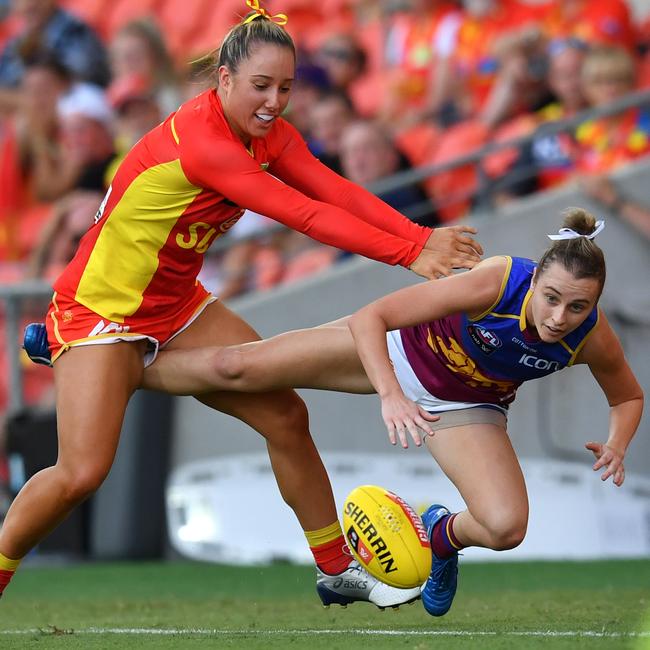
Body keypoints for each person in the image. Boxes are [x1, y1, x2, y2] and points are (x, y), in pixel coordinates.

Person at [0, 3, 482, 605]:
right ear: (223, 80)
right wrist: (413, 253)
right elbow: (304, 215)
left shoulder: (264, 131)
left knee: (285, 415)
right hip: (102, 312)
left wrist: (421, 235)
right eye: (260, 86)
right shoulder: (205, 143)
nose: (274, 101)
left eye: (284, 87)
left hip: (176, 307)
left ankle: (334, 570)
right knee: (81, 474)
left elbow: (334, 189)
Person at [139, 208, 643, 618]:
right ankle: (111, 365)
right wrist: (390, 394)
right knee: (234, 366)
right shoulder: (497, 284)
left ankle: (441, 536)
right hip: (394, 351)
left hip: (465, 404)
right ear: (536, 281)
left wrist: (617, 444)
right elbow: (371, 318)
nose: (559, 318)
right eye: (552, 299)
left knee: (506, 528)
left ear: (594, 304)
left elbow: (627, 397)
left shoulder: (591, 335)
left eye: (577, 307)